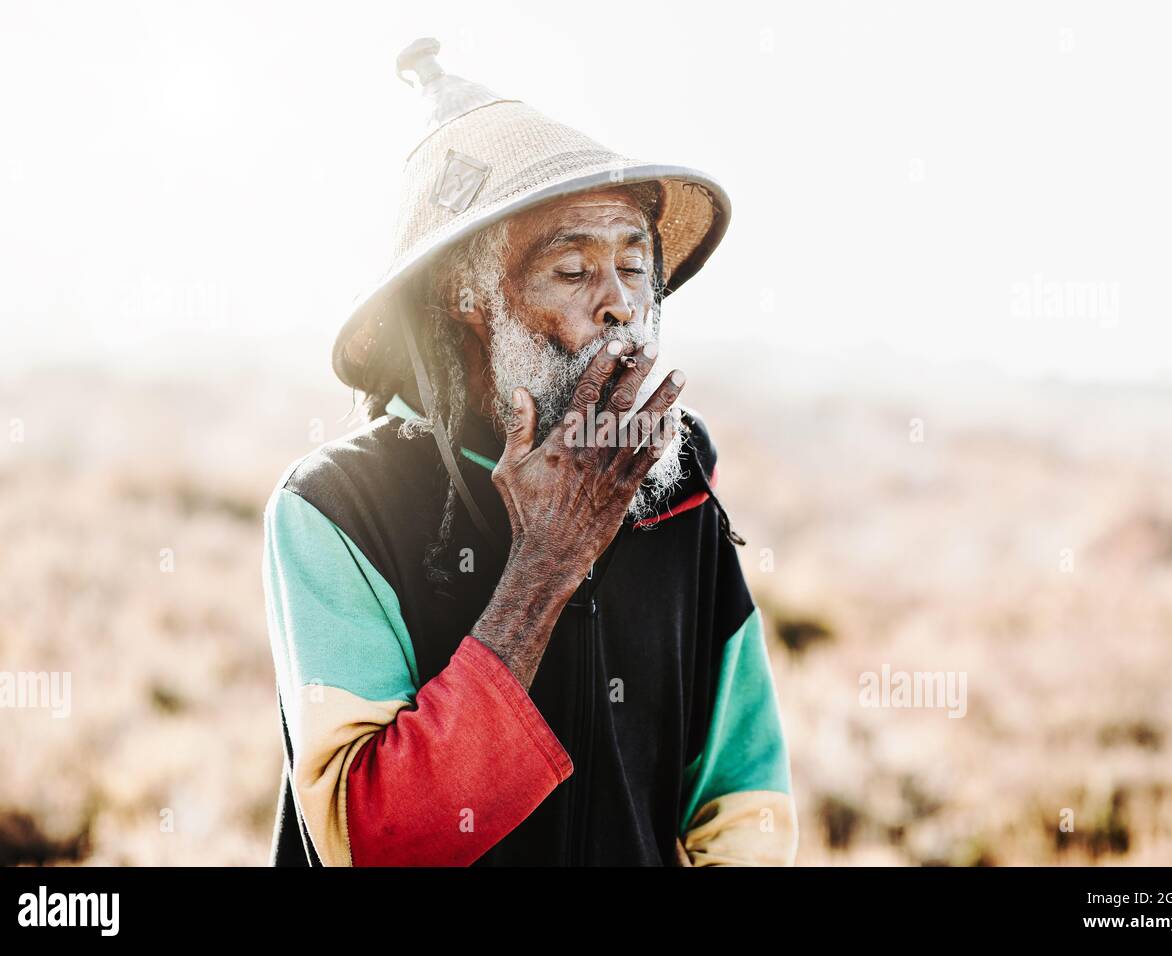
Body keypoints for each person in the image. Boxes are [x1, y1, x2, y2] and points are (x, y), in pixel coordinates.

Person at [262, 38, 796, 866]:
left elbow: (741, 797)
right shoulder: (340, 508)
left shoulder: (677, 474)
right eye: (573, 270)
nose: (621, 304)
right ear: (467, 296)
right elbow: (369, 839)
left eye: (633, 264)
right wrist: (548, 559)